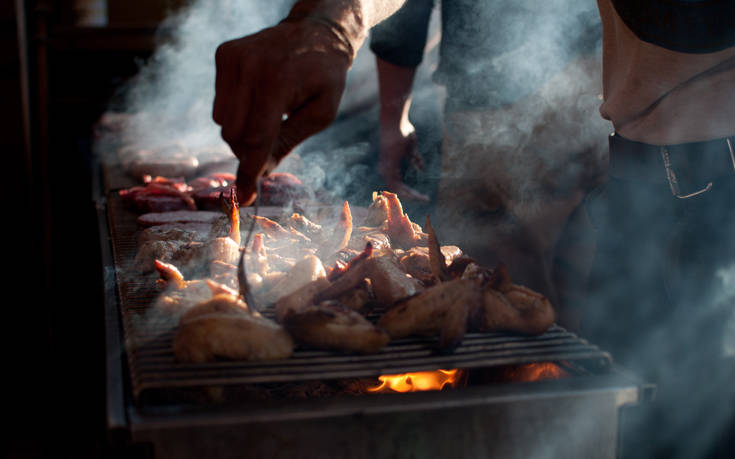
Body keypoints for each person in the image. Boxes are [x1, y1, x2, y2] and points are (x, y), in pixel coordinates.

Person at [212, 1, 735, 456]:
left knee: (682, 414)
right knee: (623, 402)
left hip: (707, 172)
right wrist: (330, 24)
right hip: (640, 162)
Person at [370, 0, 608, 319]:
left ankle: (531, 365)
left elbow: (402, 17)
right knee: (571, 267)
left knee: (486, 281)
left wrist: (392, 122)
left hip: (496, 106)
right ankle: (563, 362)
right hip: (596, 97)